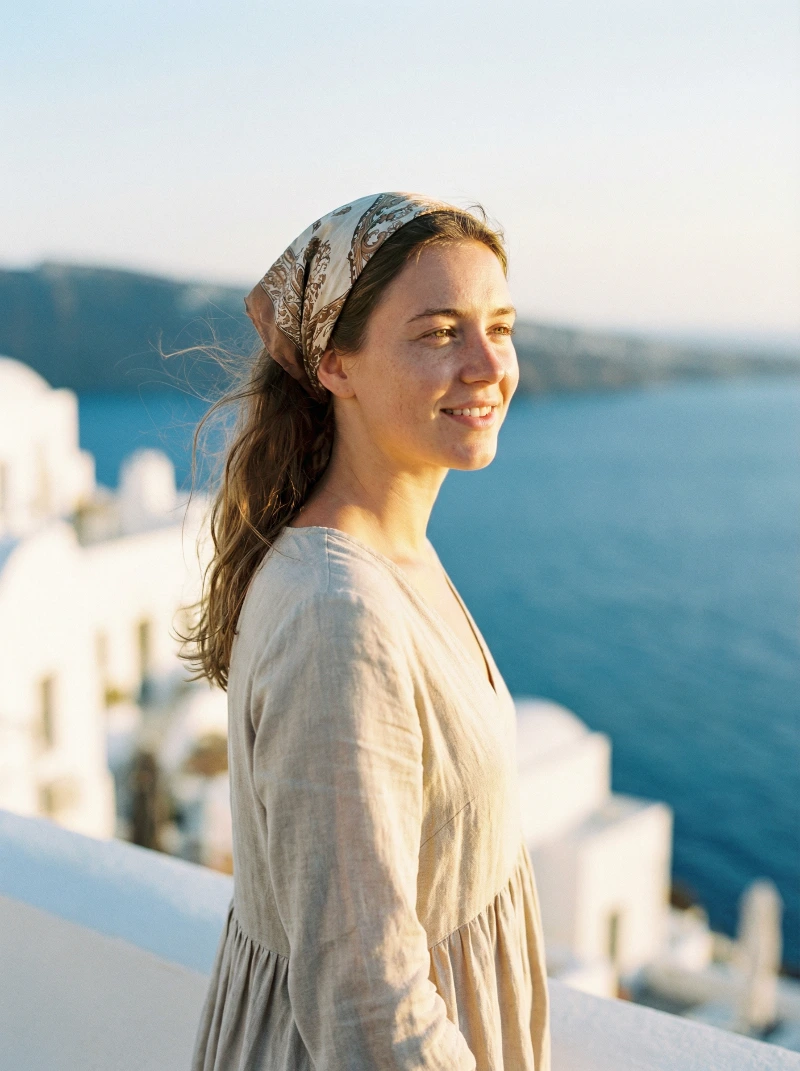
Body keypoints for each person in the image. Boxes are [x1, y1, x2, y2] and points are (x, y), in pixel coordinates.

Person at [186, 192, 551, 1070]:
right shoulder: (336, 617)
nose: (487, 364)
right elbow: (367, 1001)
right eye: (438, 332)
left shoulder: (393, 554)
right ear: (336, 364)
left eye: (498, 326)